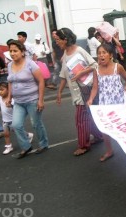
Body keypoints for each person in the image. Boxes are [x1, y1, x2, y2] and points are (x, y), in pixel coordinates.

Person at [55, 28, 103, 156]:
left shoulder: (79, 51)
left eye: (58, 40)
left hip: (85, 90)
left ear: (65, 39)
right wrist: (59, 92)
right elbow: (64, 75)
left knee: (81, 119)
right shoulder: (65, 54)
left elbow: (94, 65)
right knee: (89, 116)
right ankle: (99, 136)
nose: (57, 43)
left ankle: (84, 145)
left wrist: (81, 72)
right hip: (76, 92)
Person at [87, 43, 126, 162]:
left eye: (104, 53)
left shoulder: (118, 67)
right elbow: (95, 87)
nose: (101, 55)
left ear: (110, 55)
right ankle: (109, 150)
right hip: (104, 103)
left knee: (123, 127)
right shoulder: (96, 70)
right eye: (99, 53)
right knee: (105, 127)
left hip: (119, 102)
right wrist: (91, 99)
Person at [6, 40, 49, 158]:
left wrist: (40, 100)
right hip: (18, 102)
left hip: (32, 100)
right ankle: (26, 146)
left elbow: (41, 81)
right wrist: (9, 97)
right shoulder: (10, 65)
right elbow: (10, 82)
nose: (13, 53)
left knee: (36, 124)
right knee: (16, 125)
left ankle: (43, 143)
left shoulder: (31, 64)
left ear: (22, 52)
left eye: (15, 51)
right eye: (11, 51)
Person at [0, 82, 33, 155]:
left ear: (8, 90)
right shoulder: (0, 97)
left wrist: (11, 106)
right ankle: (8, 146)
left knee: (18, 132)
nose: (0, 92)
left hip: (13, 121)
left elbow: (17, 108)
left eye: (2, 90)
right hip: (5, 121)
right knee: (6, 134)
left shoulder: (12, 100)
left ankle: (28, 135)